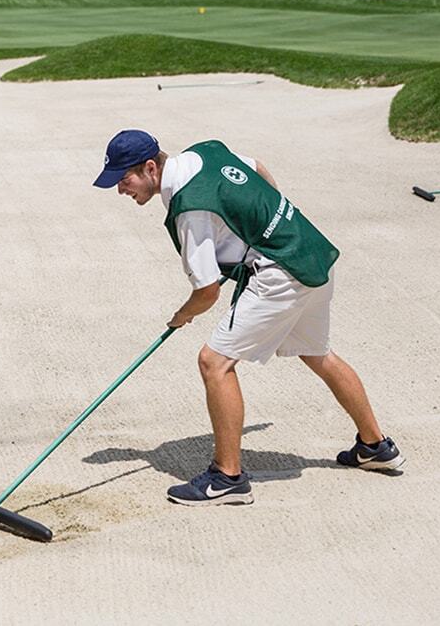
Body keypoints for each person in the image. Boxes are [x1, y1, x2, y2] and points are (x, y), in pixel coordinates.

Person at [94, 129, 404, 506]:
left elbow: (207, 291)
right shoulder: (204, 153)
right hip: (307, 248)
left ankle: (227, 478)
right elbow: (256, 167)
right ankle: (375, 446)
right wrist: (271, 222)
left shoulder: (190, 209)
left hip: (279, 274)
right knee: (317, 353)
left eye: (124, 180)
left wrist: (182, 315)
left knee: (214, 363)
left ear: (149, 168)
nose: (121, 190)